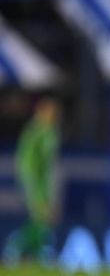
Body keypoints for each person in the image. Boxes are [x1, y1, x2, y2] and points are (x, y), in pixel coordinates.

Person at [12, 97, 59, 263]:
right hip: (36, 184)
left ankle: (35, 256)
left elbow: (49, 164)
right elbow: (26, 162)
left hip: (46, 184)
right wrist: (31, 185)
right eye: (50, 112)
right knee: (41, 220)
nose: (54, 116)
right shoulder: (34, 132)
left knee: (43, 222)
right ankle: (17, 247)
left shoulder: (50, 131)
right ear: (41, 112)